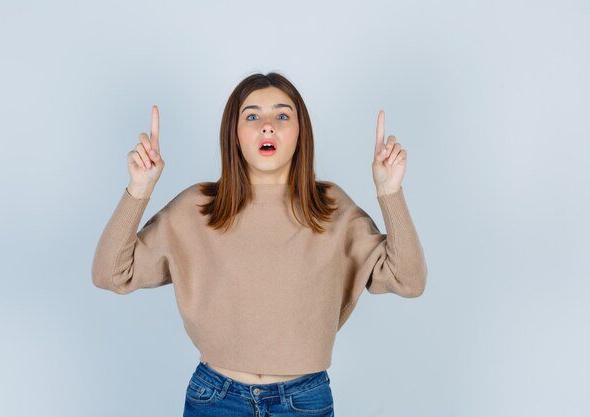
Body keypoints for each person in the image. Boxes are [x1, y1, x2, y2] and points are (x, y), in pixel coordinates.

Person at [91, 72, 427, 416]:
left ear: (301, 132)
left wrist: (390, 192)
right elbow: (110, 274)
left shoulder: (331, 208)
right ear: (234, 133)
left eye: (282, 115)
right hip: (215, 399)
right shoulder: (198, 207)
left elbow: (409, 280)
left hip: (304, 400)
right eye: (252, 116)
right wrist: (139, 189)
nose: (268, 126)